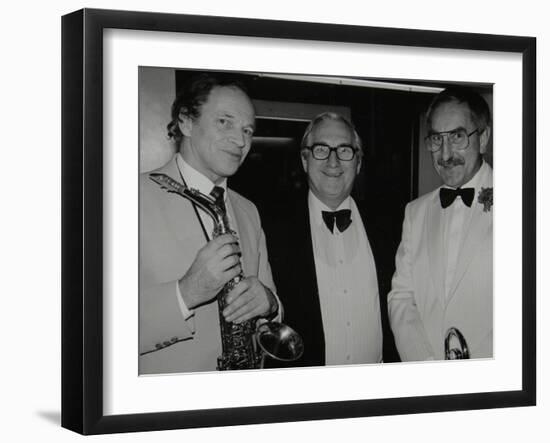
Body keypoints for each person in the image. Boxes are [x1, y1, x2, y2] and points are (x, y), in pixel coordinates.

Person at [139, 74, 280, 374]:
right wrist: (186, 292)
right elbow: (89, 329)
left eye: (247, 130)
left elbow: (269, 300)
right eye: (224, 122)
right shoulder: (126, 199)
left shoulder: (249, 211)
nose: (241, 141)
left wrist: (269, 303)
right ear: (186, 122)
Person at [265, 112, 383, 367]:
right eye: (321, 149)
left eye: (344, 150)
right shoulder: (270, 230)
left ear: (358, 162)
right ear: (305, 160)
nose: (333, 161)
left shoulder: (390, 225)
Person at [388, 87, 493, 361]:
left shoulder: (528, 204)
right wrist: (426, 367)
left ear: (483, 139)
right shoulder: (415, 212)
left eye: (457, 136)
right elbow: (401, 298)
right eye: (436, 139)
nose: (445, 154)